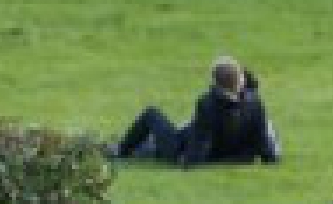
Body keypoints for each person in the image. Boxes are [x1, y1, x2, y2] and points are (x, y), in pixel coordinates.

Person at [109, 55, 282, 167]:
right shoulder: (254, 102)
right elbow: (268, 151)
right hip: (232, 153)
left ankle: (120, 151)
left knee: (151, 114)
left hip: (183, 151)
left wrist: (188, 162)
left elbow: (195, 153)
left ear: (215, 82)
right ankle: (131, 147)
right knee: (149, 147)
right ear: (241, 80)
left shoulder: (209, 104)